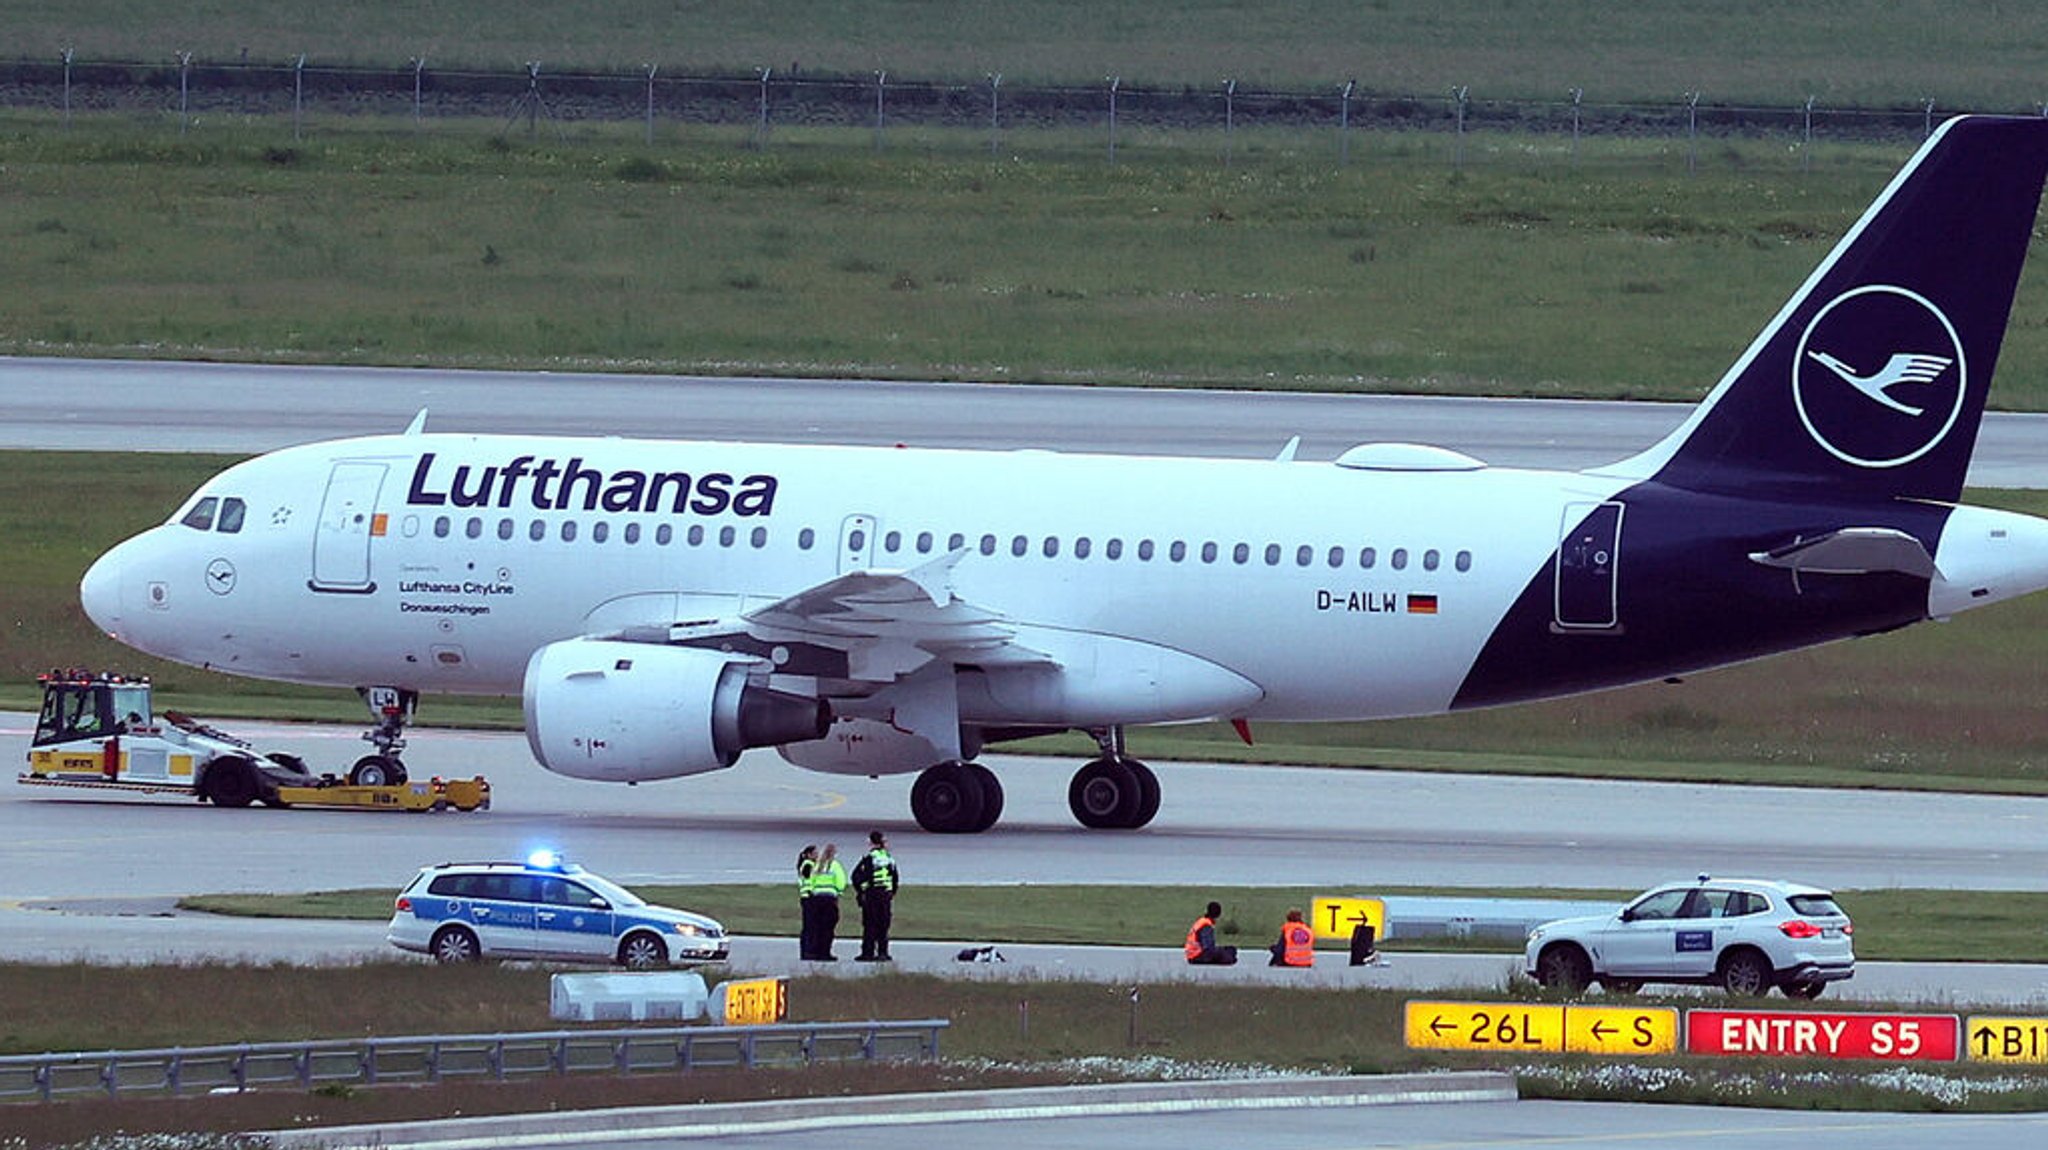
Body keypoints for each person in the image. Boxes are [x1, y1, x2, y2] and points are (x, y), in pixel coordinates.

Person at [850, 829, 898, 961]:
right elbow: (895, 878)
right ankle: (883, 952)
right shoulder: (889, 858)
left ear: (870, 842)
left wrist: (862, 891)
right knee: (883, 925)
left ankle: (868, 953)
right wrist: (891, 892)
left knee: (870, 925)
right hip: (885, 895)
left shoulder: (870, 858)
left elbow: (856, 876)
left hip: (873, 895)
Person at [805, 843, 848, 960]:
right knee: (828, 927)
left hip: (817, 898)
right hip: (829, 898)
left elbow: (811, 881)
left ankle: (816, 951)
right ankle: (825, 952)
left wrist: (814, 891)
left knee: (818, 926)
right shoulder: (834, 865)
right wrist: (839, 891)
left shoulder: (818, 865)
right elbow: (841, 881)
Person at [1185, 901, 1238, 965]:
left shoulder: (1202, 921)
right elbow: (1207, 947)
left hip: (1193, 955)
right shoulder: (1206, 925)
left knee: (1228, 950)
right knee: (1230, 951)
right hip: (1198, 956)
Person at [795, 844, 819, 959]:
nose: (817, 856)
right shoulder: (808, 865)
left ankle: (809, 950)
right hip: (808, 897)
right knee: (809, 926)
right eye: (815, 853)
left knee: (810, 925)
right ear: (809, 855)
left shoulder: (809, 864)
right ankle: (807, 950)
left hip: (808, 897)